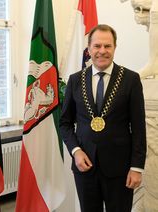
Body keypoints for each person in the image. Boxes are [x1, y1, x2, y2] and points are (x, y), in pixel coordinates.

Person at [59, 24, 146, 212]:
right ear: (89, 49)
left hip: (120, 170)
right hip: (85, 167)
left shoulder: (131, 79)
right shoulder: (75, 80)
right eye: (97, 46)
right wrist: (75, 151)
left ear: (115, 47)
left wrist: (137, 167)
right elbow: (65, 124)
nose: (102, 51)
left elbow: (139, 128)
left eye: (107, 46)